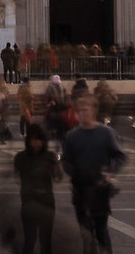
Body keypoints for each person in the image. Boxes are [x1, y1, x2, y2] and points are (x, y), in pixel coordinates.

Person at [58, 99, 125, 254]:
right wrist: (74, 172)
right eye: (80, 111)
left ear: (93, 111)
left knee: (101, 230)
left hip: (99, 188)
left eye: (86, 110)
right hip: (80, 188)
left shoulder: (106, 133)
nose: (82, 114)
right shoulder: (72, 136)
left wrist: (110, 171)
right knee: (85, 233)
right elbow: (66, 160)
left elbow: (120, 156)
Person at [12, 129, 61, 254]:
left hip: (46, 202)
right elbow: (17, 175)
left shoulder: (50, 156)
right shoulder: (21, 157)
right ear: (28, 141)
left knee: (46, 240)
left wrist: (55, 168)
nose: (37, 144)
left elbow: (58, 178)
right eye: (34, 140)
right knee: (30, 238)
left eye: (40, 140)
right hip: (29, 202)